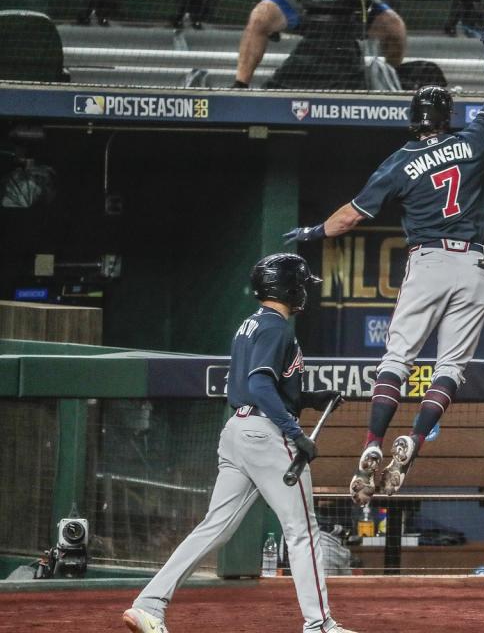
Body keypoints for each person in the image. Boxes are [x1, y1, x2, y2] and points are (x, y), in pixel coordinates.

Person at [281, 22, 484, 505]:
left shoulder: (400, 161)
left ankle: (372, 443)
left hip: (427, 262)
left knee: (397, 359)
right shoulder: (475, 140)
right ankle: (417, 439)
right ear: (446, 116)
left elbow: (348, 218)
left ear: (414, 118)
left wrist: (312, 232)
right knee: (449, 368)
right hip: (475, 268)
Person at [122, 253, 355, 633]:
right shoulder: (278, 328)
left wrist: (307, 398)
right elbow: (261, 385)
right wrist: (295, 432)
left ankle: (149, 604)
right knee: (303, 531)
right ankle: (320, 625)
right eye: (301, 284)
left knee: (215, 526)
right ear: (289, 287)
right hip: (265, 435)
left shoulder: (249, 325)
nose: (304, 291)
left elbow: (257, 384)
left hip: (237, 432)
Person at [233, 0, 406, 89]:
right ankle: (240, 84)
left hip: (351, 0)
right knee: (260, 17)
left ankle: (394, 82)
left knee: (395, 27)